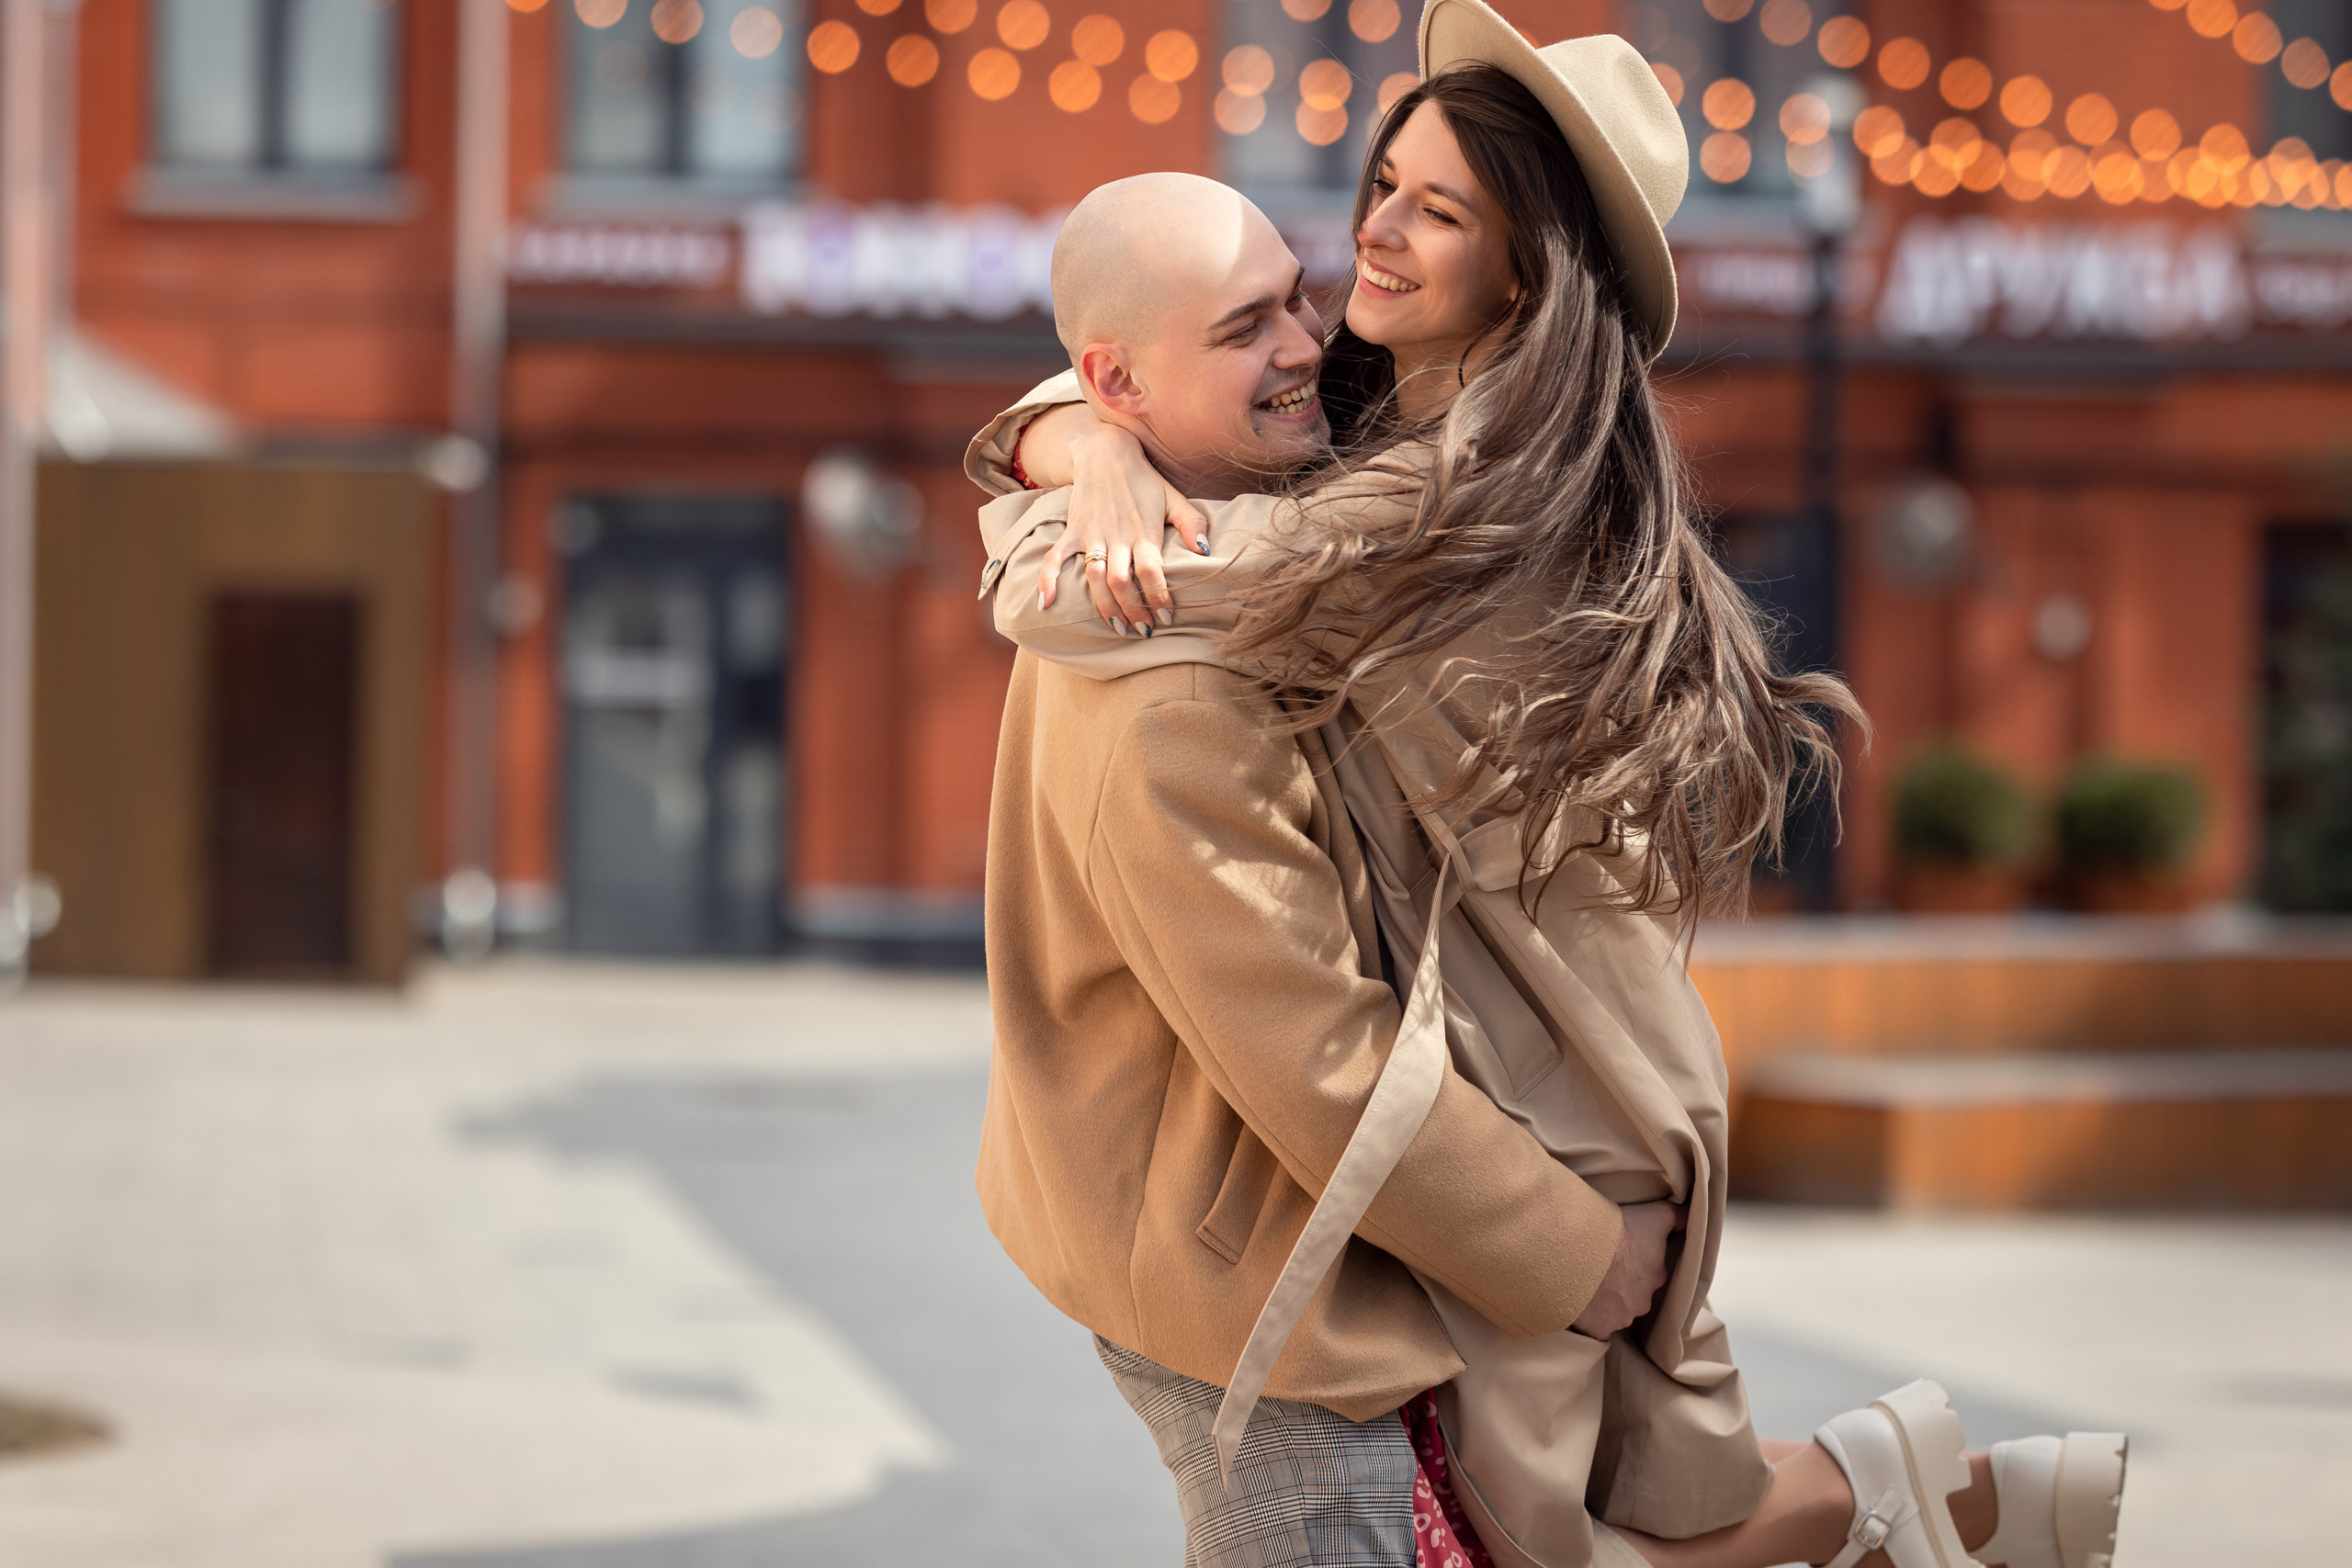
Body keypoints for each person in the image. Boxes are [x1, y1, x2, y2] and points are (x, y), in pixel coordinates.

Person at [970, 6, 2131, 1568]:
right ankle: (1887, 1493)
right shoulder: (1397, 433)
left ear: (1526, 273)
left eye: (1439, 212)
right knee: (1548, 1518)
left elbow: (1148, 599)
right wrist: (1080, 440)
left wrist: (1072, 456)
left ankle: (1874, 1495)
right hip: (1459, 1113)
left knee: (1536, 1528)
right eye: (1383, 185)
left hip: (1538, 1110)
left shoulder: (1452, 516)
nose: (1371, 240)